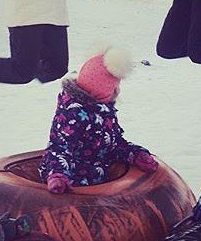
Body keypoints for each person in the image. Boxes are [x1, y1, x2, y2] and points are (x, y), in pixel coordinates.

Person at [39, 46, 158, 193]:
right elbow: (59, 148)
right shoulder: (73, 115)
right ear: (103, 89)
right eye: (115, 86)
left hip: (97, 176)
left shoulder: (103, 110)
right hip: (74, 183)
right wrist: (58, 176)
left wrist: (134, 154)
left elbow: (113, 144)